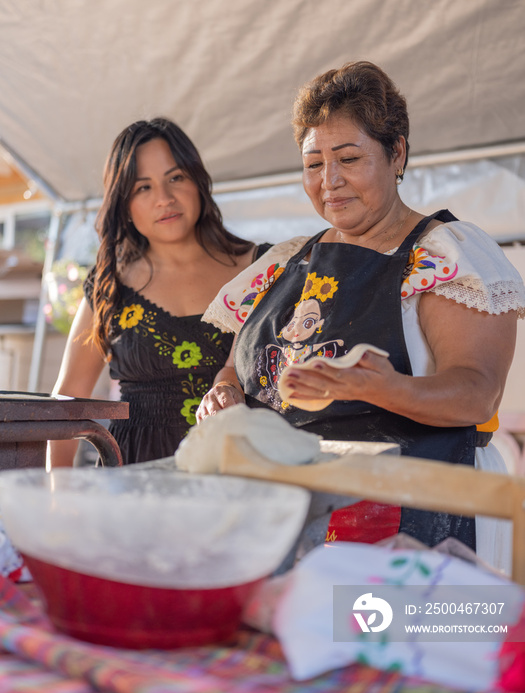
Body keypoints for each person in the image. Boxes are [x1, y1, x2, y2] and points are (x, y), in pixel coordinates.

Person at [196, 61, 525, 570]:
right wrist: (226, 391)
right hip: (283, 516)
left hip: (406, 518)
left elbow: (476, 393)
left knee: (380, 646)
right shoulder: (286, 260)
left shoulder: (443, 256)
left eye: (348, 158)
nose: (329, 182)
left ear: (397, 153)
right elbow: (242, 367)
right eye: (312, 164)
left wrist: (381, 387)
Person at [50, 117, 267, 467]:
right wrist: (55, 498)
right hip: (132, 481)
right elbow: (68, 401)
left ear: (198, 181)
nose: (164, 199)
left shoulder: (260, 268)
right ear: (125, 204)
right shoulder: (108, 285)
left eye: (176, 178)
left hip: (240, 478)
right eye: (143, 188)